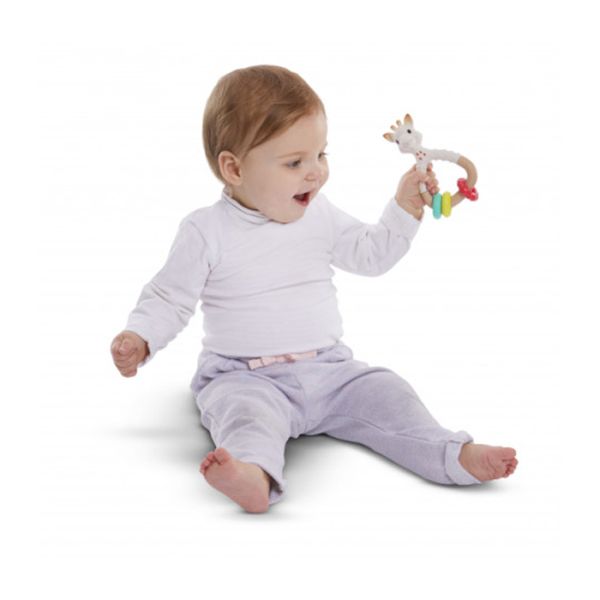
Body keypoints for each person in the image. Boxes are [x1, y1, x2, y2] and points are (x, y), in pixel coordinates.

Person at [110, 65, 518, 514]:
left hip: (330, 371)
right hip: (243, 376)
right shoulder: (207, 231)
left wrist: (404, 209)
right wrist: (141, 337)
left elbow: (370, 255)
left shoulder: (318, 213)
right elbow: (170, 296)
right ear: (234, 168)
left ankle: (450, 453)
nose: (316, 174)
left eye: (321, 155)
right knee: (247, 418)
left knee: (388, 391)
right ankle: (254, 475)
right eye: (295, 163)